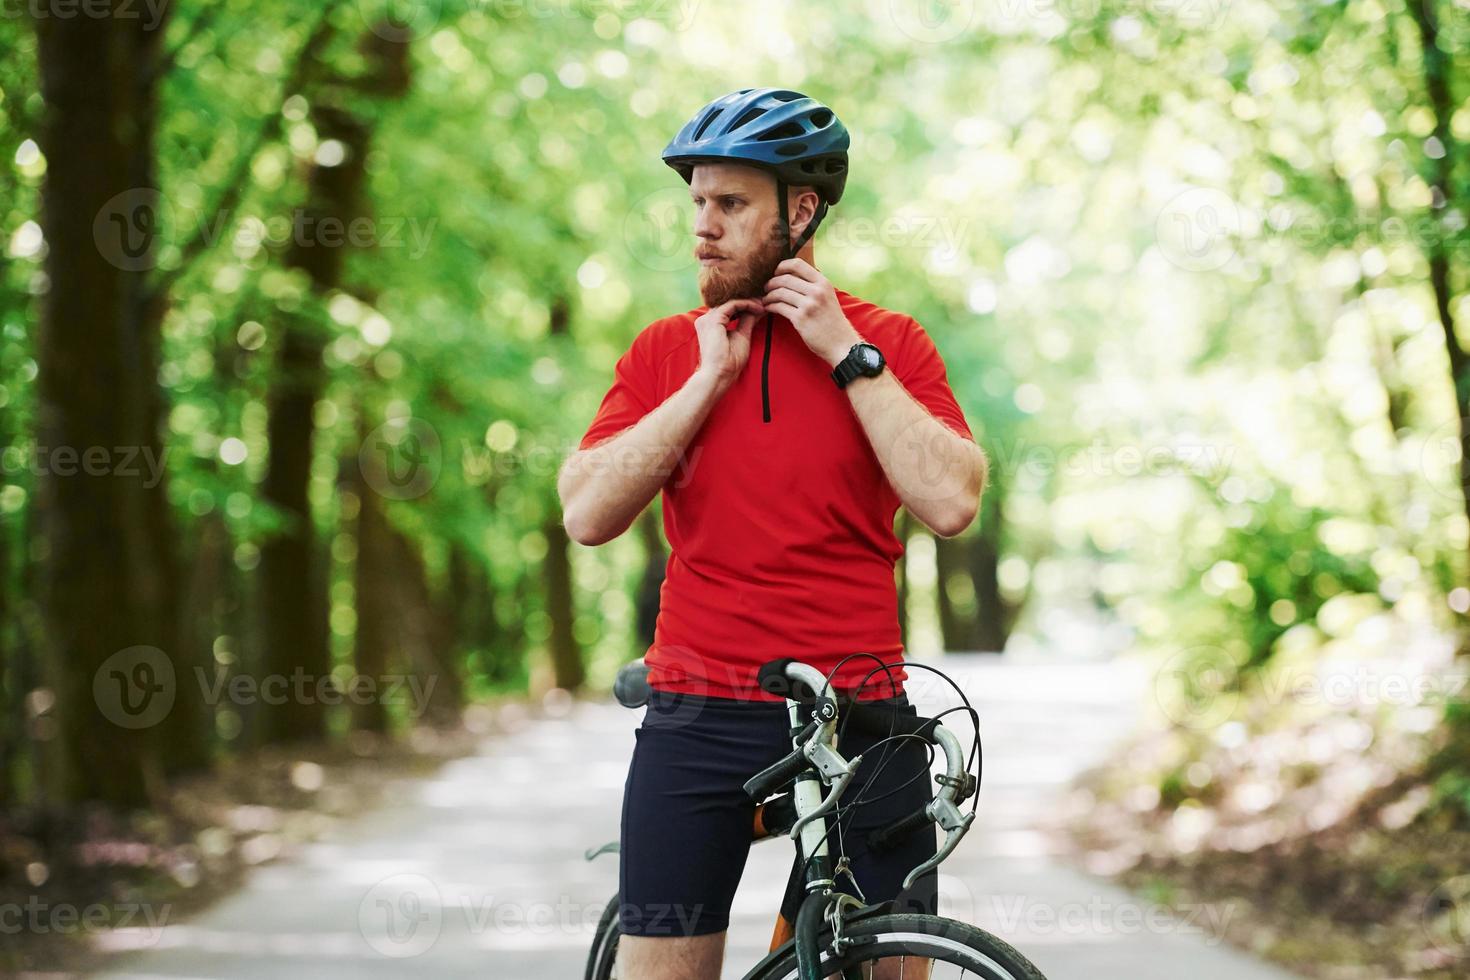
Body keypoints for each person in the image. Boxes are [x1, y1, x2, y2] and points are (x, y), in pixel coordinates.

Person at [558, 88, 987, 980]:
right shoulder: (665, 352)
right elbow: (587, 514)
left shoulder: (888, 343)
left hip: (862, 714)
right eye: (697, 204)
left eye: (731, 204)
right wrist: (704, 385)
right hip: (699, 711)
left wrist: (845, 356)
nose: (704, 227)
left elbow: (951, 500)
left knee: (887, 967)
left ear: (801, 211)